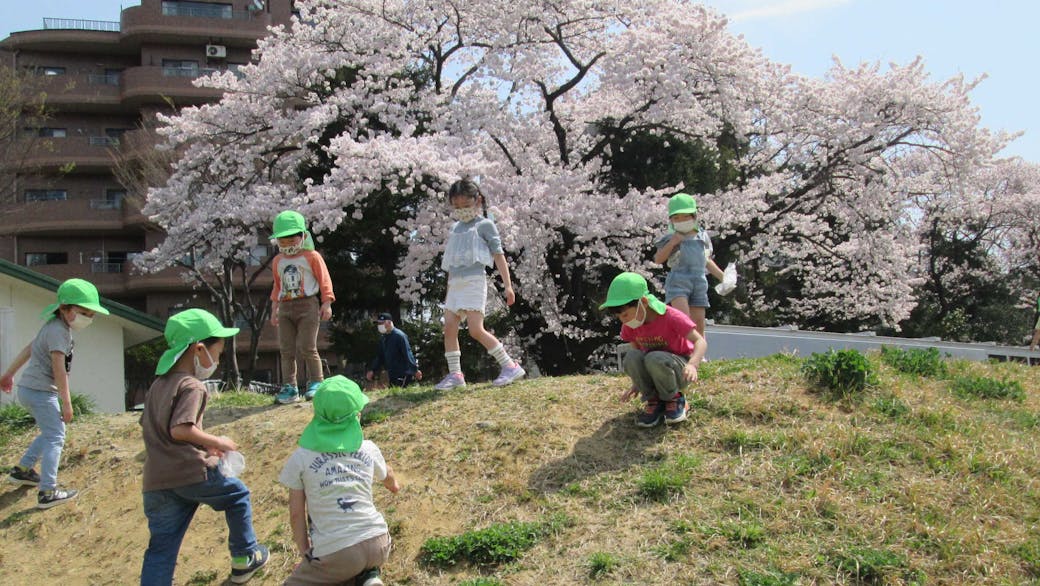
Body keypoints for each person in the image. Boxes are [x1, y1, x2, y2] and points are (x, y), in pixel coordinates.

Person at [139, 308, 269, 585]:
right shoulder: (192, 386)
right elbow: (180, 429)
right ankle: (245, 556)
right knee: (237, 495)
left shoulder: (157, 387)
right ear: (199, 349)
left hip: (156, 482)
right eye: (218, 352)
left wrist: (202, 445)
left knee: (161, 549)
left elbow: (162, 429)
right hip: (190, 474)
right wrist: (217, 442)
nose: (218, 360)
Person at [279, 375, 399, 586]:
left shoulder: (301, 457)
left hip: (337, 553)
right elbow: (388, 476)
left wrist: (306, 553)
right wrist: (394, 485)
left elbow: (296, 513)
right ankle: (369, 577)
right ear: (357, 415)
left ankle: (355, 575)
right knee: (351, 567)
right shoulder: (367, 448)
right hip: (378, 541)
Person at [1, 278, 109, 509]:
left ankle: (23, 470)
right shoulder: (59, 332)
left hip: (28, 390)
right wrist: (66, 402)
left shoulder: (51, 326)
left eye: (91, 315)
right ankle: (48, 491)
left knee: (51, 431)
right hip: (42, 392)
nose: (87, 319)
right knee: (56, 437)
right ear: (64, 308)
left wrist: (9, 374)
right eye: (82, 312)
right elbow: (59, 370)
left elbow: (29, 349)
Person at [433, 178, 525, 390]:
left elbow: (499, 255)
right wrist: (448, 292)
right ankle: (456, 375)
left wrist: (508, 286)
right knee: (449, 328)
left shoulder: (485, 225)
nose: (461, 210)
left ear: (478, 201)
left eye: (466, 206)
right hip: (455, 284)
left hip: (474, 281)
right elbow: (453, 263)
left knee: (475, 329)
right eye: (457, 207)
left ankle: (510, 366)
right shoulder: (455, 228)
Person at [600, 272, 707, 427]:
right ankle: (653, 400)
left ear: (643, 302)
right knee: (631, 357)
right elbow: (637, 355)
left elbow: (700, 341)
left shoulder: (671, 317)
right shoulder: (631, 325)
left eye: (625, 314)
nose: (623, 320)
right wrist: (637, 383)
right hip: (654, 368)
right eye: (620, 317)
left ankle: (675, 398)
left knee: (654, 357)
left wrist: (692, 364)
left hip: (679, 370)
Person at [269, 210, 335, 404]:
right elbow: (277, 285)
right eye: (283, 240)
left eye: (292, 239)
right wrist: (274, 309)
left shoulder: (312, 256)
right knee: (286, 349)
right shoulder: (278, 261)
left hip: (308, 305)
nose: (288, 244)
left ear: (303, 236)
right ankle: (289, 387)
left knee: (307, 346)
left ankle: (317, 382)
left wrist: (327, 302)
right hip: (285, 306)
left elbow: (324, 280)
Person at [652, 193, 735, 338]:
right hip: (678, 281)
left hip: (699, 282)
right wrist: (673, 243)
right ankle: (685, 351)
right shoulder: (670, 238)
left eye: (685, 217)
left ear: (694, 216)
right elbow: (658, 259)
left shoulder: (702, 237)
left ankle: (699, 352)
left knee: (698, 322)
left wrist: (723, 277)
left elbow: (706, 260)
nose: (681, 221)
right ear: (671, 220)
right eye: (676, 218)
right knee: (684, 319)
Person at [366, 313, 422, 387]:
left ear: (389, 322)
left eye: (382, 323)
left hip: (403, 374)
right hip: (392, 374)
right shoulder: (384, 338)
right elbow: (380, 357)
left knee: (399, 395)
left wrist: (414, 369)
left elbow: (407, 353)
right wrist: (373, 370)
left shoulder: (399, 336)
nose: (379, 325)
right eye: (378, 323)